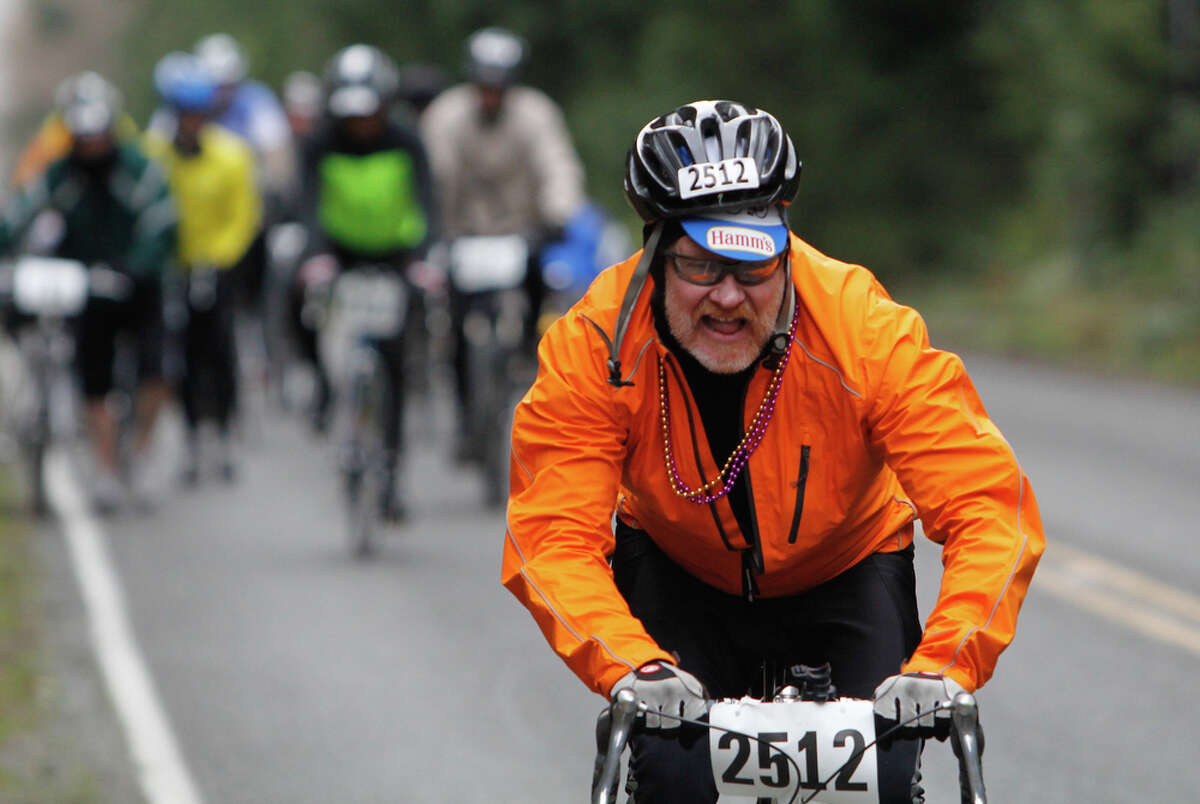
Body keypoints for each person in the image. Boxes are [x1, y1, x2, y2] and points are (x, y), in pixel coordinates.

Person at [500, 100, 1045, 802]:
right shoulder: (594, 345)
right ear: (657, 254)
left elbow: (989, 508)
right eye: (700, 266)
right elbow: (552, 535)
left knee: (880, 779)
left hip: (845, 566)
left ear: (785, 249)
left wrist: (943, 664)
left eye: (754, 267)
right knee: (673, 777)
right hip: (678, 568)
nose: (728, 297)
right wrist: (631, 664)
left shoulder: (862, 329)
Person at [0, 73, 175, 511]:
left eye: (98, 133)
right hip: (86, 288)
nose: (91, 143)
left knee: (156, 372)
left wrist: (136, 265)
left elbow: (163, 224)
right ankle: (106, 468)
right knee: (94, 379)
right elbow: (21, 212)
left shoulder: (140, 169)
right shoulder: (59, 174)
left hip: (138, 285)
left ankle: (143, 452)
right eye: (83, 135)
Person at [420, 26, 586, 457]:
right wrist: (432, 225)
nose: (491, 95)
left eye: (499, 86)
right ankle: (464, 410)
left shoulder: (537, 114)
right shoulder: (445, 116)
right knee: (454, 323)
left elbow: (557, 166)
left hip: (520, 233)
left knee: (541, 293)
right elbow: (434, 173)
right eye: (484, 85)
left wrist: (559, 212)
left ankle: (530, 360)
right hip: (462, 235)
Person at [291, 43, 436, 520]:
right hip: (337, 254)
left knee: (394, 365)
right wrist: (314, 255)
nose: (361, 123)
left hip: (396, 257)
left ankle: (390, 473)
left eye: (369, 112)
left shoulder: (407, 141)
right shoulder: (318, 143)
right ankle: (320, 387)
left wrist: (423, 257)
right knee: (294, 295)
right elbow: (307, 203)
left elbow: (427, 202)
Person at [144, 53, 262, 484]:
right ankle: (192, 437)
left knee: (221, 351)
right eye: (184, 114)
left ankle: (226, 433)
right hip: (172, 267)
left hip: (218, 267)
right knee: (182, 357)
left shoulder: (232, 155)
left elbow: (243, 216)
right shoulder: (153, 154)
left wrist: (219, 257)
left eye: (199, 114)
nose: (192, 122)